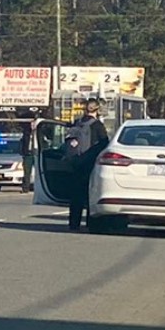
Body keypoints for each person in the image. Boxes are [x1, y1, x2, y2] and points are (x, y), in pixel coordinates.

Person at [66, 97, 110, 231]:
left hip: (75, 163)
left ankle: (74, 224)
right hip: (90, 164)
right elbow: (104, 144)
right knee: (91, 195)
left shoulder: (76, 123)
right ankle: (91, 224)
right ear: (97, 110)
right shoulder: (97, 126)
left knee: (76, 196)